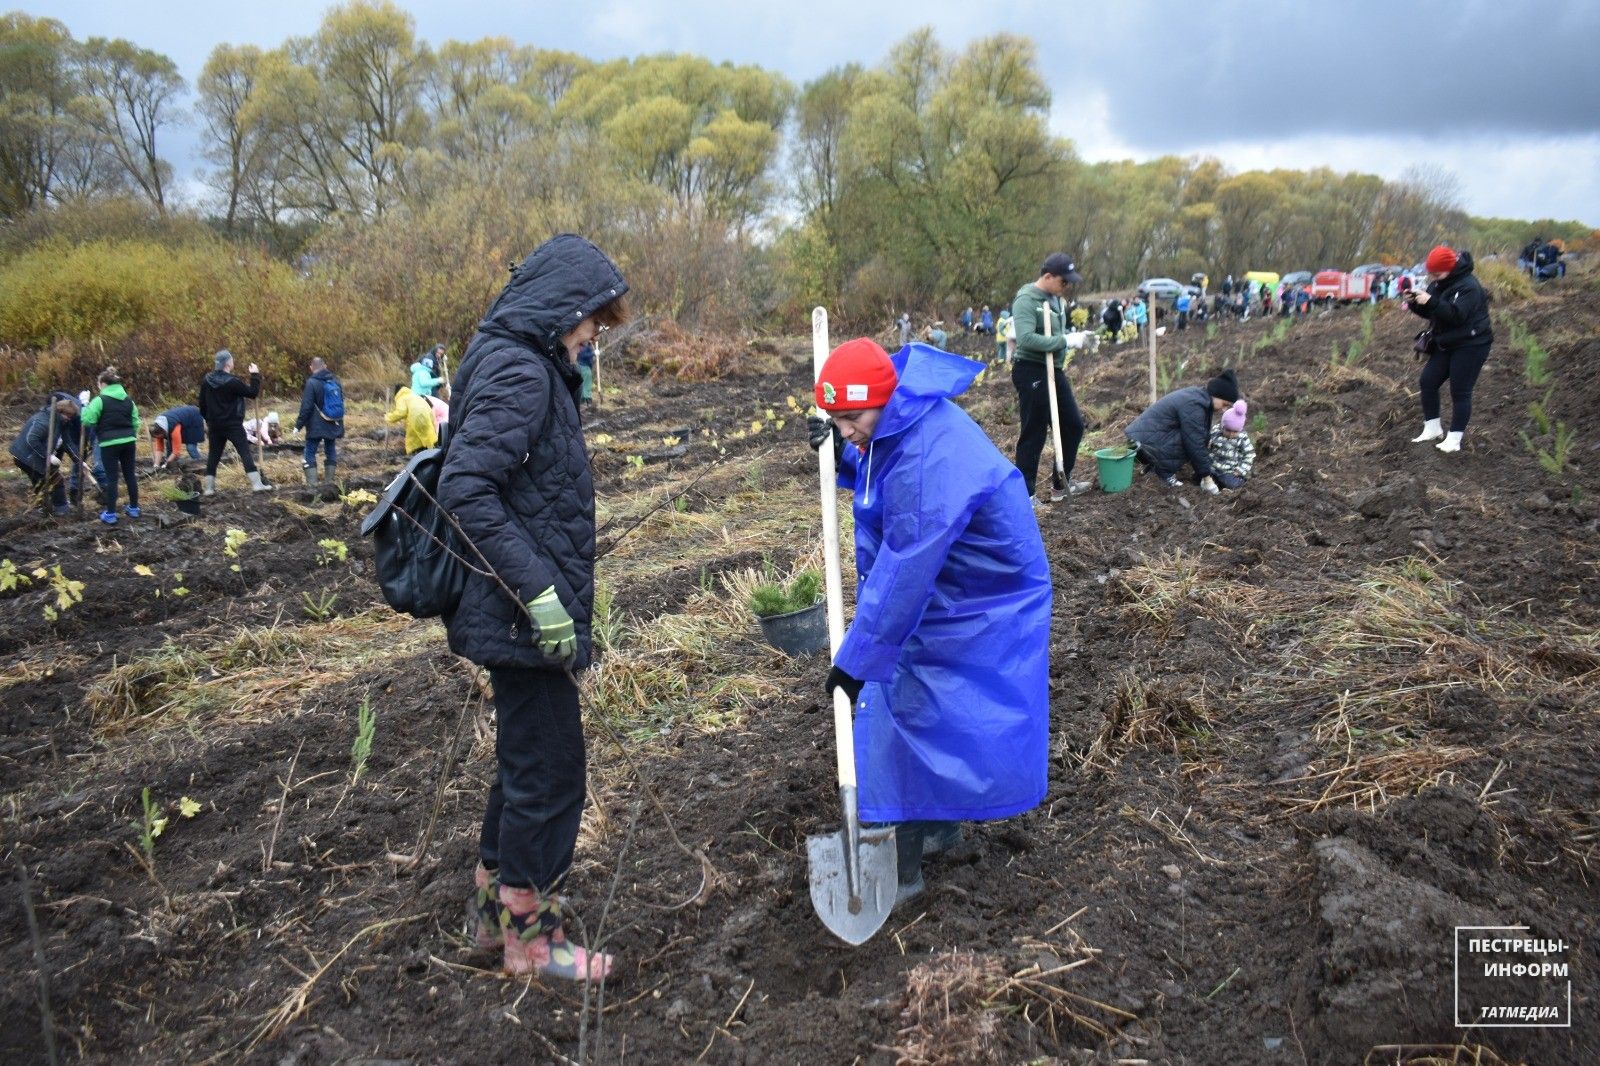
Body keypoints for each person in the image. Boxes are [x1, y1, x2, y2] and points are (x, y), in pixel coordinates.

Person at [438, 233, 628, 982]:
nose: (592, 339)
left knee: (525, 762)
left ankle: (493, 918)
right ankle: (530, 938)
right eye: (590, 325)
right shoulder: (519, 369)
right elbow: (465, 489)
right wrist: (540, 592)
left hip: (514, 610)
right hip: (520, 613)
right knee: (552, 773)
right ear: (562, 309)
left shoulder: (519, 361)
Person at [811, 338, 1050, 905]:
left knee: (899, 706)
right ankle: (939, 824)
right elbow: (880, 469)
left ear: (880, 398)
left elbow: (906, 564)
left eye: (850, 420)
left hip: (981, 591)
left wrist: (857, 660)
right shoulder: (902, 417)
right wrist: (844, 453)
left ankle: (902, 866)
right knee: (925, 700)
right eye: (835, 422)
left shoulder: (925, 452)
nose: (846, 431)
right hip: (960, 578)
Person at [1011, 253, 1094, 505]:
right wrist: (1066, 340)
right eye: (1063, 281)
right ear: (1047, 276)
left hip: (1053, 369)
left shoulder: (1057, 299)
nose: (1066, 286)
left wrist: (1076, 338)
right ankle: (1026, 495)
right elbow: (1025, 339)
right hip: (1030, 369)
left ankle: (1061, 484)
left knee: (1073, 425)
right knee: (1034, 430)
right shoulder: (1026, 299)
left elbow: (1057, 335)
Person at [1404, 245, 1493, 453]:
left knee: (1460, 391)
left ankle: (1454, 439)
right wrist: (1415, 303)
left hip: (1471, 344)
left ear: (1450, 268)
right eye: (1431, 273)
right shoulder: (1438, 284)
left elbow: (1456, 315)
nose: (1433, 277)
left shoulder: (1469, 286)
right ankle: (1432, 428)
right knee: (1428, 381)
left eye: (1437, 272)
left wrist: (1432, 302)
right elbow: (1434, 314)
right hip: (1447, 342)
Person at [1124, 368, 1241, 493]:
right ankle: (1164, 474)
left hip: (1145, 438)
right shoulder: (1194, 405)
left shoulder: (1199, 398)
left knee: (1195, 436)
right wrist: (1207, 478)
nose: (1224, 410)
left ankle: (1155, 468)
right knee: (1190, 440)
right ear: (1217, 395)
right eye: (1225, 404)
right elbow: (1194, 442)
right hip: (1142, 442)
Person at [197, 349, 272, 495]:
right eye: (232, 360)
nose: (233, 362)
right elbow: (252, 393)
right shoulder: (232, 382)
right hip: (233, 424)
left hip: (215, 425)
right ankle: (257, 484)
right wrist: (255, 375)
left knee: (213, 455)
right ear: (227, 364)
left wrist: (208, 420)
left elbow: (202, 403)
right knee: (244, 452)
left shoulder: (207, 380)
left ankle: (209, 489)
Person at [81, 367, 141, 524]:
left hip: (109, 443)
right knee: (130, 475)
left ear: (102, 383)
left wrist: (83, 406)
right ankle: (134, 509)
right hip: (129, 441)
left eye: (98, 384)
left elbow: (88, 420)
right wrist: (128, 434)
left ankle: (111, 514)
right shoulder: (129, 401)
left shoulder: (99, 401)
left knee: (112, 478)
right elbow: (136, 422)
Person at [10, 396, 81, 516]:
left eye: (71, 417)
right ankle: (61, 510)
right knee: (56, 480)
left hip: (32, 455)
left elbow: (66, 441)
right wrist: (47, 455)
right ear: (60, 412)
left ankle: (43, 507)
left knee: (42, 481)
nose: (69, 419)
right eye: (67, 416)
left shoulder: (61, 423)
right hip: (25, 456)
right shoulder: (44, 420)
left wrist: (79, 460)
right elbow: (31, 439)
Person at [293, 357, 344, 490]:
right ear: (325, 366)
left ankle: (313, 486)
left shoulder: (311, 383)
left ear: (311, 368)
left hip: (315, 425)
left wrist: (298, 425)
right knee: (330, 450)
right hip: (332, 422)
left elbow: (306, 406)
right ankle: (329, 483)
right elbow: (340, 402)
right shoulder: (335, 381)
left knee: (310, 451)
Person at [1208, 399, 1255, 490]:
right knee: (1199, 476)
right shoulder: (1215, 431)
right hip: (1213, 467)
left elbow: (1249, 455)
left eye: (1235, 431)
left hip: (1228, 471)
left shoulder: (1242, 438)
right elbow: (1208, 444)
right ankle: (1215, 482)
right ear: (1222, 426)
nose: (1231, 434)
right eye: (1228, 430)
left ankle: (1241, 481)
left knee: (1231, 484)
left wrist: (1240, 470)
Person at [385, 384, 439, 454]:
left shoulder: (401, 397)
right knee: (415, 436)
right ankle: (415, 451)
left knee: (428, 438)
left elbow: (401, 412)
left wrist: (389, 417)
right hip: (425, 414)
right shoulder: (413, 395)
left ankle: (433, 453)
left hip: (417, 416)